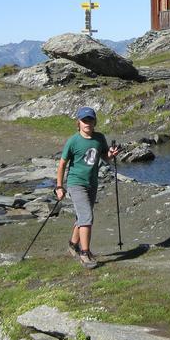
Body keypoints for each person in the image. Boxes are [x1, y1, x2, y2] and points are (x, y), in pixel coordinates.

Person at [54, 106, 119, 269]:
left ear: (94, 121)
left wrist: (110, 155)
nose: (87, 123)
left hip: (92, 183)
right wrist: (59, 187)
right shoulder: (73, 141)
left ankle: (72, 245)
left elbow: (104, 156)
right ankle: (85, 253)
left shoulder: (99, 138)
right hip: (76, 184)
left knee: (82, 217)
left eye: (90, 120)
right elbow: (62, 165)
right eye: (84, 120)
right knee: (87, 217)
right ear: (79, 122)